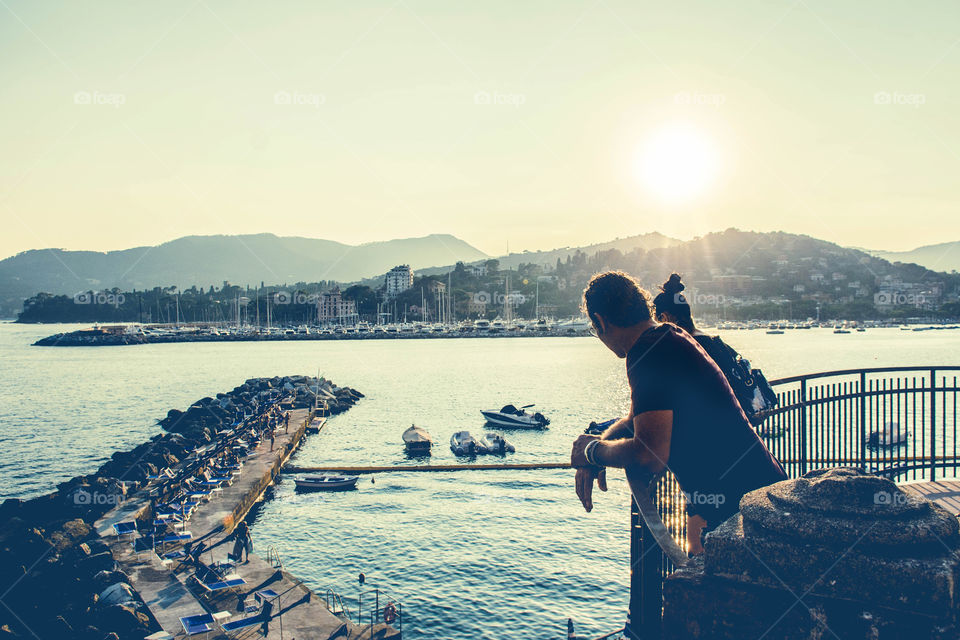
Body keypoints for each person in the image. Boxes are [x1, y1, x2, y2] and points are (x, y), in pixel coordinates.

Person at [571, 271, 786, 557]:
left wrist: (594, 452)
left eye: (593, 328)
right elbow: (634, 419)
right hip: (761, 499)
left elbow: (649, 456)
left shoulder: (648, 353)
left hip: (750, 518)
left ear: (600, 322)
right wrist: (594, 447)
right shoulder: (668, 338)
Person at [652, 272, 776, 551]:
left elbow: (664, 407)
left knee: (700, 552)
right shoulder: (716, 343)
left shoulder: (683, 350)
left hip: (711, 465)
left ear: (666, 318)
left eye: (656, 322)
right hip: (746, 454)